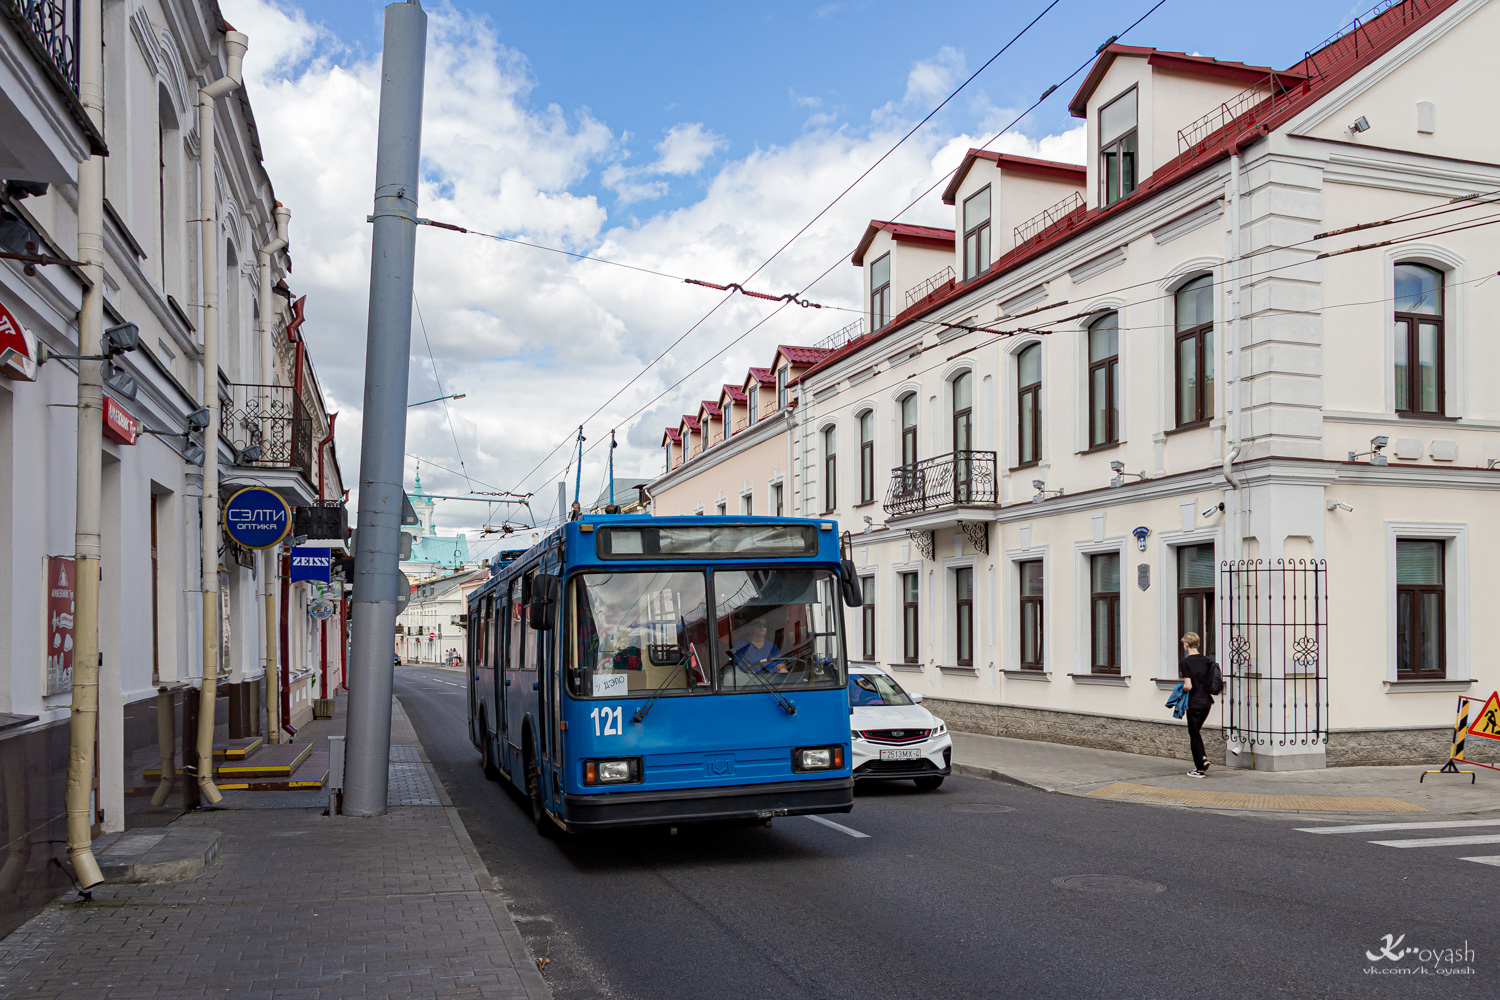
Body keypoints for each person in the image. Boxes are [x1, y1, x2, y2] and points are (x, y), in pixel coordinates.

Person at [1178, 632, 1215, 777]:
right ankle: (1203, 758)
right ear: (1198, 644)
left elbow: (1188, 686)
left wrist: (1180, 689)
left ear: (1186, 645)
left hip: (1194, 703)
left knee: (1193, 734)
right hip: (1207, 702)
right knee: (1196, 732)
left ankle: (1200, 769)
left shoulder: (1185, 663)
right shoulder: (1207, 660)